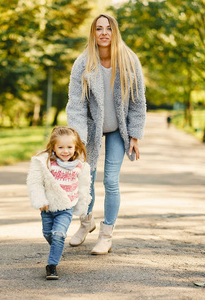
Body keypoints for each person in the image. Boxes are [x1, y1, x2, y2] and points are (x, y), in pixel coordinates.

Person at [66, 13, 147, 255]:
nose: (103, 33)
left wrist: (134, 135)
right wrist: (77, 138)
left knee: (111, 181)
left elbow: (137, 101)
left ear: (115, 32)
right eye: (99, 28)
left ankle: (106, 234)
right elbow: (76, 104)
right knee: (86, 178)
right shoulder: (83, 63)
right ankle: (86, 222)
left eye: (108, 28)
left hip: (117, 129)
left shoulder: (129, 61)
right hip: (90, 128)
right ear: (93, 33)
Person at [27, 126, 91, 280]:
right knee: (48, 234)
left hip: (66, 207)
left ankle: (51, 266)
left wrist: (83, 205)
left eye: (69, 147)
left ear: (75, 148)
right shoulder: (47, 163)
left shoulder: (79, 166)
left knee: (59, 234)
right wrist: (40, 201)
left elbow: (83, 186)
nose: (65, 151)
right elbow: (35, 183)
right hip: (48, 207)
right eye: (60, 147)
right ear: (53, 147)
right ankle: (57, 247)